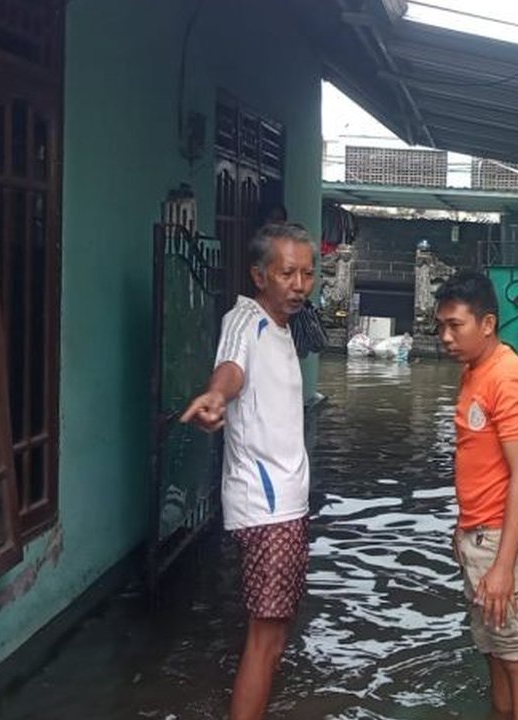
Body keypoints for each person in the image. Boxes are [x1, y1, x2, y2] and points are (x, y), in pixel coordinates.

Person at [180, 223, 316, 720]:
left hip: (286, 504)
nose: (300, 284)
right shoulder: (245, 320)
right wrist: (216, 395)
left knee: (275, 634)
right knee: (265, 640)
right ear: (259, 275)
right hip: (267, 507)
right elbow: (230, 370)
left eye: (307, 272)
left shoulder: (280, 328)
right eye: (287, 273)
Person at [435, 271, 518, 720]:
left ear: (487, 324)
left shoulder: (507, 378)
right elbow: (479, 461)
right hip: (481, 534)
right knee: (496, 649)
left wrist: (504, 565)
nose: (445, 337)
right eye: (440, 326)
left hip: (510, 540)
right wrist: (463, 528)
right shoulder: (475, 372)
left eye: (455, 325)